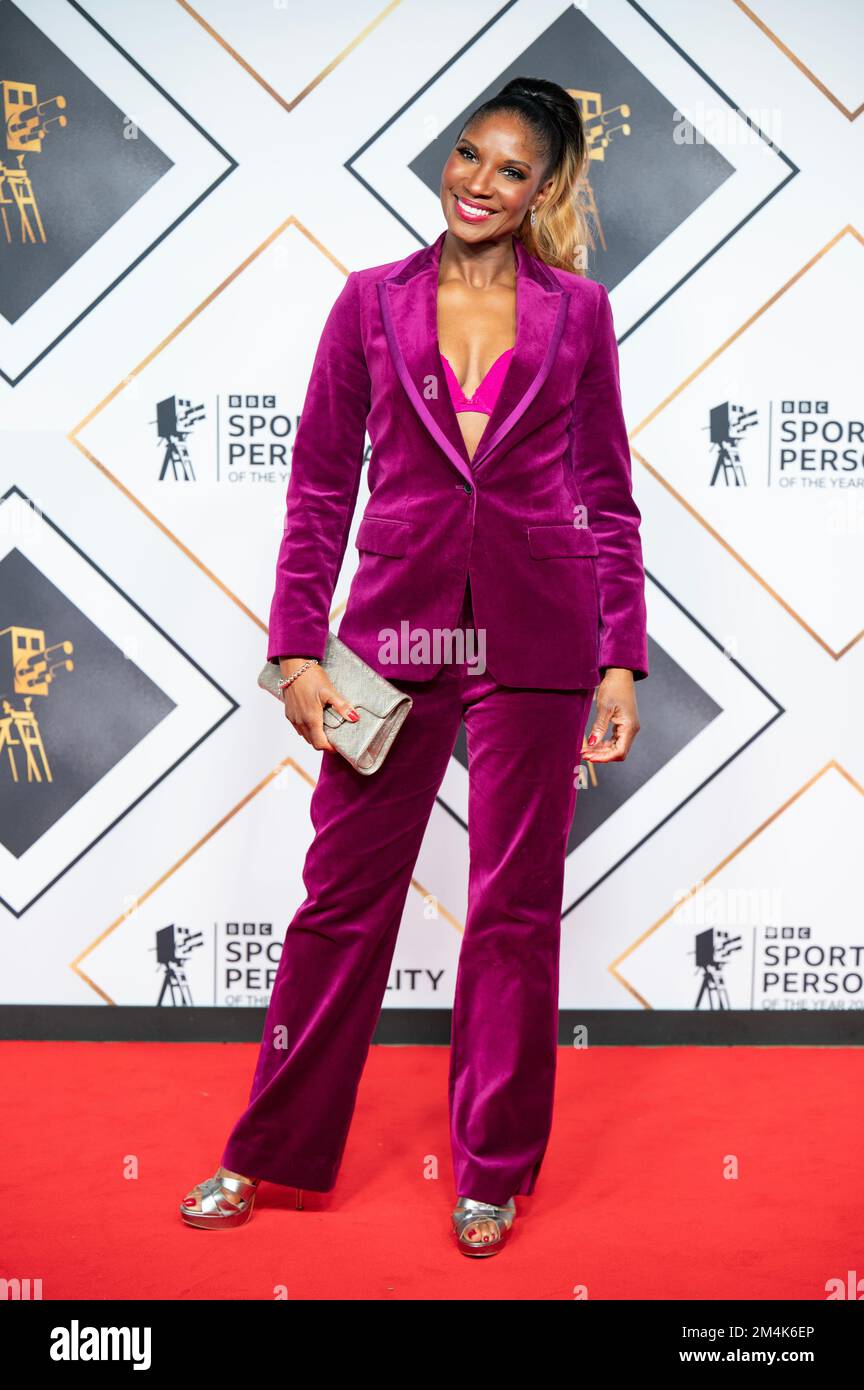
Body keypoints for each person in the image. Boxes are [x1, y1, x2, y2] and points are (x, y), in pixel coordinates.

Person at [180, 76, 648, 1257]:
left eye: (510, 170)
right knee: (341, 903)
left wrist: (620, 662)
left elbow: (608, 498)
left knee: (511, 912)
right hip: (395, 639)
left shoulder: (579, 313)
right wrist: (293, 649)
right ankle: (264, 1151)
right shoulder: (370, 303)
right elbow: (321, 483)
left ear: (548, 189)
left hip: (536, 643)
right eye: (467, 155)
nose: (478, 184)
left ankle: (489, 1170)